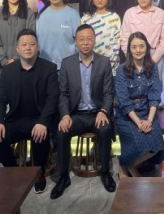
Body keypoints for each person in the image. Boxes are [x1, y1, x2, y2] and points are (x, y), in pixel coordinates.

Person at [51, 25, 116, 199]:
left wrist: (104, 111)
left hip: (97, 113)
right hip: (76, 115)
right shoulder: (67, 63)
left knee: (105, 129)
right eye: (81, 39)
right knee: (61, 132)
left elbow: (108, 93)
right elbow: (63, 93)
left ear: (94, 40)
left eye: (89, 39)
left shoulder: (104, 62)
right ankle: (63, 176)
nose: (85, 43)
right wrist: (65, 115)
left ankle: (105, 173)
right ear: (76, 42)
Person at [0, 29, 59, 194]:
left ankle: (39, 173)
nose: (28, 48)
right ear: (17, 49)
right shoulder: (8, 70)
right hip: (15, 119)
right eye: (24, 45)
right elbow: (0, 100)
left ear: (37, 47)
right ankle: (15, 171)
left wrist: (43, 122)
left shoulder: (49, 68)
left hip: (38, 118)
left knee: (40, 135)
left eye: (32, 44)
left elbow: (52, 99)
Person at [115, 32, 164, 176]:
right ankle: (130, 167)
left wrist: (149, 120)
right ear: (129, 50)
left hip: (148, 112)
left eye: (141, 46)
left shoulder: (152, 67)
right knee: (137, 143)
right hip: (127, 116)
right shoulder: (121, 70)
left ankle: (127, 165)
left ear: (147, 48)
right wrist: (138, 123)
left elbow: (155, 96)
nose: (138, 50)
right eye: (134, 47)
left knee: (157, 145)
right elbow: (124, 101)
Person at [121, 0, 164, 80]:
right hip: (134, 55)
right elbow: (124, 39)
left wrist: (153, 60)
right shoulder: (129, 13)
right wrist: (131, 58)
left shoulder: (160, 13)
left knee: (155, 88)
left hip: (155, 56)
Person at [36, 0, 81, 70]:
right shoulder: (41, 15)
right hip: (45, 66)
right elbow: (36, 40)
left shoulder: (73, 14)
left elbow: (79, 40)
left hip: (67, 66)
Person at [81, 0, 122, 75]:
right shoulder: (85, 19)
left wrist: (110, 65)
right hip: (90, 67)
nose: (99, 0)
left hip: (112, 69)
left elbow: (117, 44)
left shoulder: (115, 17)